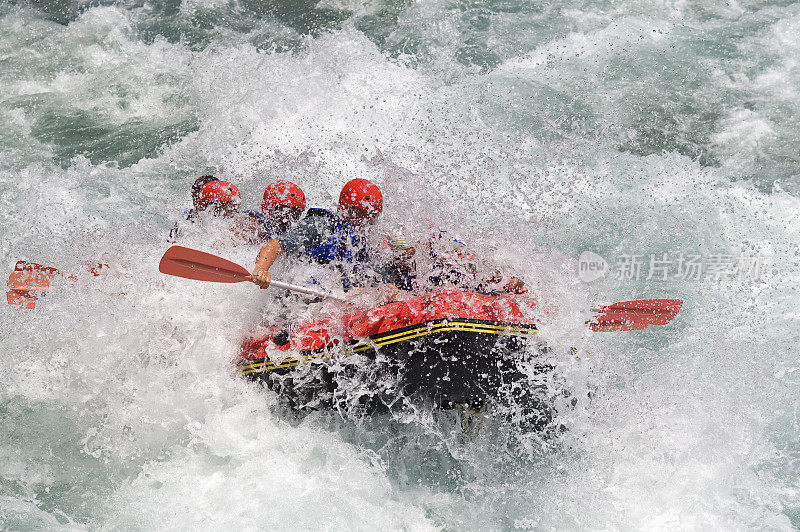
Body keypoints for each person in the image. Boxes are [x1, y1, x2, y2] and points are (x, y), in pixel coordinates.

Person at [250, 178, 392, 292]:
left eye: (373, 215)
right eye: (363, 214)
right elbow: (276, 245)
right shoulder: (321, 225)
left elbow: (382, 277)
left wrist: (389, 288)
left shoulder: (363, 244)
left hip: (333, 304)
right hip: (298, 301)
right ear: (346, 209)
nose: (369, 221)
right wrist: (261, 269)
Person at [170, 176, 265, 243]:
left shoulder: (245, 216)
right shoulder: (188, 217)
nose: (197, 201)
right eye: (194, 197)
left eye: (200, 197)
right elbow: (173, 242)